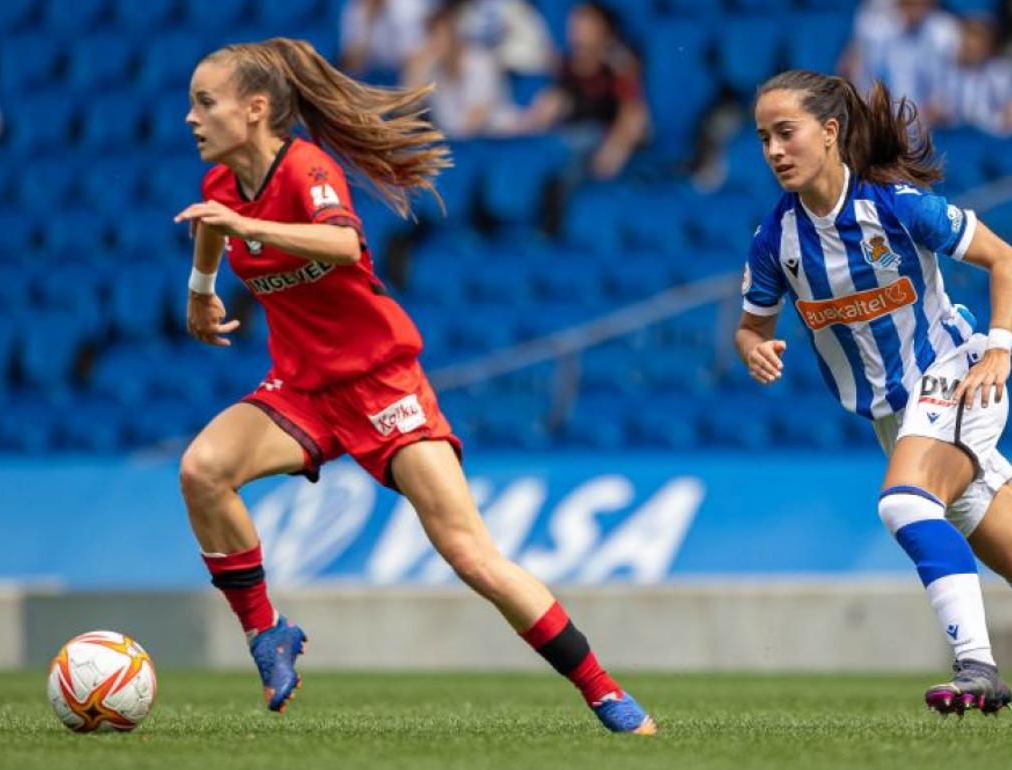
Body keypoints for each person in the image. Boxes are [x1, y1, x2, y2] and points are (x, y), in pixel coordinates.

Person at [172, 37, 655, 734]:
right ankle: (265, 632)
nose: (190, 117)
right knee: (202, 470)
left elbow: (342, 242)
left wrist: (247, 224)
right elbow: (211, 227)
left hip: (381, 384)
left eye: (204, 102)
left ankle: (604, 691)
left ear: (253, 110)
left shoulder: (306, 168)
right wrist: (201, 290)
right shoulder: (221, 186)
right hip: (302, 390)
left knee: (471, 557)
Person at [736, 68, 1012, 716]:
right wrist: (754, 348)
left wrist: (998, 349)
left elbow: (1008, 261)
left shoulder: (896, 205)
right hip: (895, 416)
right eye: (763, 138)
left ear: (830, 130)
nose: (774, 151)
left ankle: (977, 668)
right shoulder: (777, 240)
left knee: (903, 505)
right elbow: (750, 325)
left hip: (955, 373)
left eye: (785, 133)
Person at [520, 2, 647, 180]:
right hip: (570, 133)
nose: (577, 33)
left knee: (570, 150)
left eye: (585, 26)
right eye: (574, 27)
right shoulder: (568, 64)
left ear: (603, 30)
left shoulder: (619, 65)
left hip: (601, 135)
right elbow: (554, 101)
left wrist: (617, 147)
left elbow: (633, 113)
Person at [402, 4, 519, 138]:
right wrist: (416, 74)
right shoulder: (433, 70)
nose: (434, 43)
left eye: (440, 35)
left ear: (454, 36)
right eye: (431, 35)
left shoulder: (480, 62)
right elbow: (407, 114)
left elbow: (476, 119)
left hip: (497, 142)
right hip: (457, 146)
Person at [925, 15, 1012, 136]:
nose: (970, 44)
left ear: (989, 46)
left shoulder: (1001, 72)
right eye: (967, 37)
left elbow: (1010, 115)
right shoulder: (945, 68)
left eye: (978, 39)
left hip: (990, 139)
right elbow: (933, 107)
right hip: (952, 138)